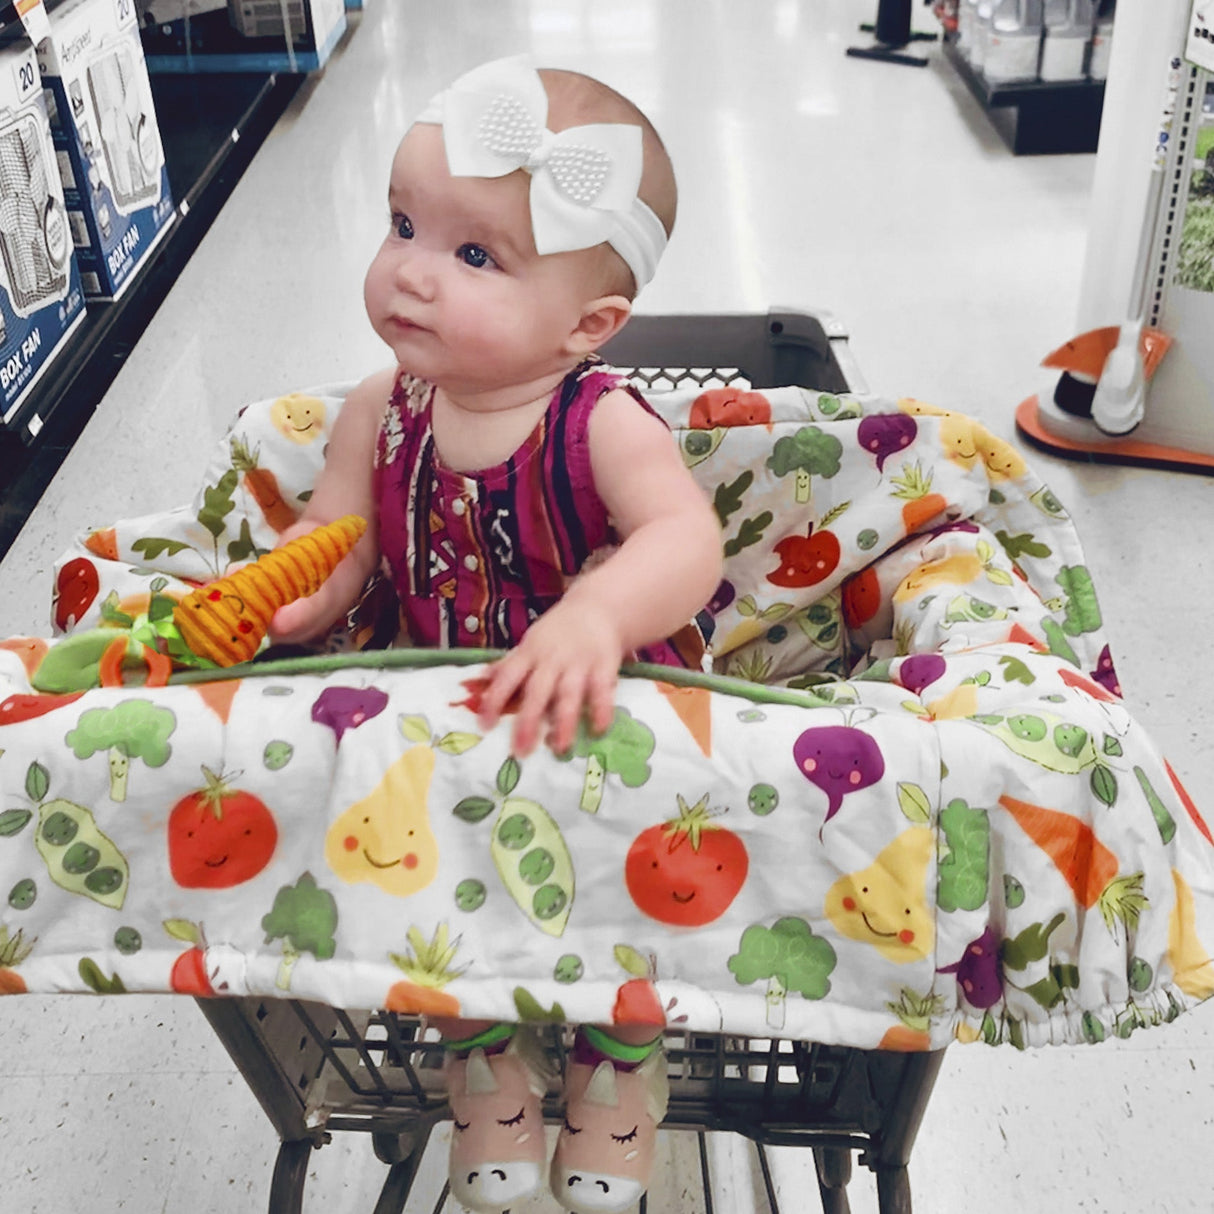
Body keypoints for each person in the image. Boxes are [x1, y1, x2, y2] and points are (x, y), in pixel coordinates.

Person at [267, 55, 723, 1213]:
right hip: (442, 709)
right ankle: (487, 1068)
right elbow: (346, 531)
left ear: (589, 325)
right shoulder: (382, 406)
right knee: (434, 887)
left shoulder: (602, 422)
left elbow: (686, 541)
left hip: (593, 711)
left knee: (624, 882)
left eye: (472, 256)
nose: (409, 274)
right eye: (402, 223)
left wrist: (597, 611)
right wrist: (304, 597)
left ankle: (618, 1072)